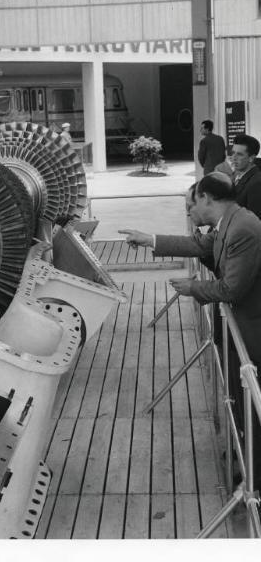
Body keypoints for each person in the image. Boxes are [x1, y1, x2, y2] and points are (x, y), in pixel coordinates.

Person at [119, 172, 261, 488]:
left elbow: (231, 288)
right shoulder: (230, 223)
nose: (189, 211)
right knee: (239, 401)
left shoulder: (244, 229)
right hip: (244, 330)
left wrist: (193, 287)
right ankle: (247, 462)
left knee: (251, 404)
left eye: (192, 203)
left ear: (207, 198)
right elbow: (197, 244)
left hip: (252, 334)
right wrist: (149, 240)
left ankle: (254, 480)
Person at [229, 134, 261, 220]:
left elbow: (254, 221)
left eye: (239, 154)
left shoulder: (257, 183)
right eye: (233, 153)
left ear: (251, 158)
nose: (233, 158)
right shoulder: (234, 175)